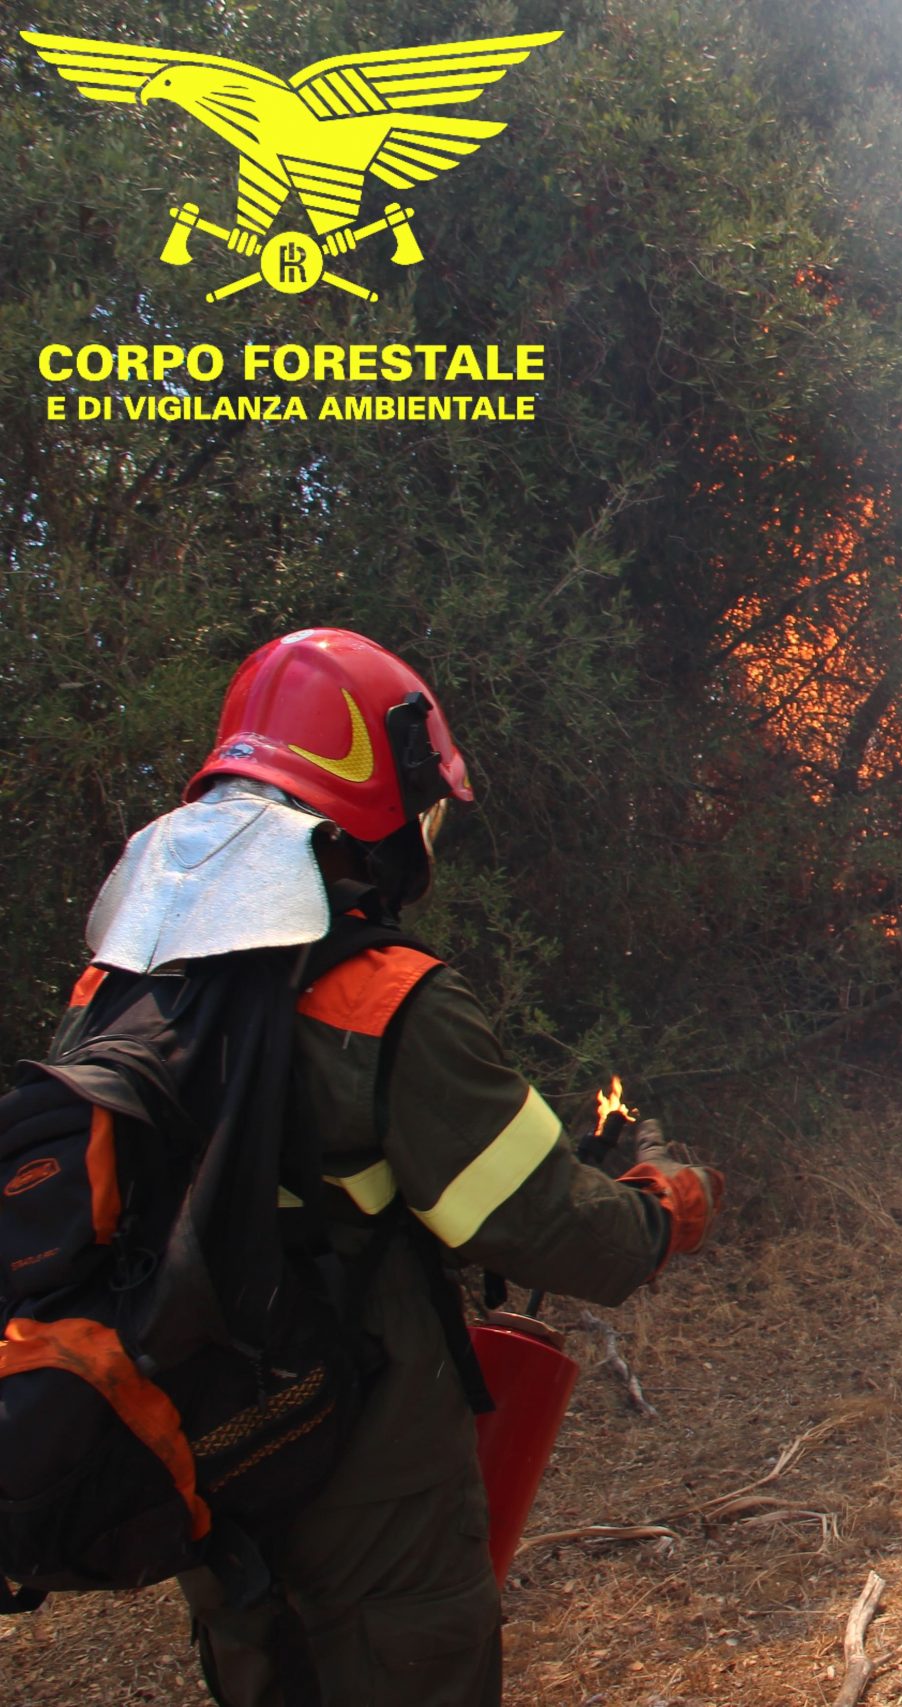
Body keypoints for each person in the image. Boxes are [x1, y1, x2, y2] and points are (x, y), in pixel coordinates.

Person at [65, 628, 722, 1704]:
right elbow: (559, 1230)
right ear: (381, 801)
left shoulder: (124, 985)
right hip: (364, 1464)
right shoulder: (384, 996)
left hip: (210, 1441)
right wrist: (666, 1202)